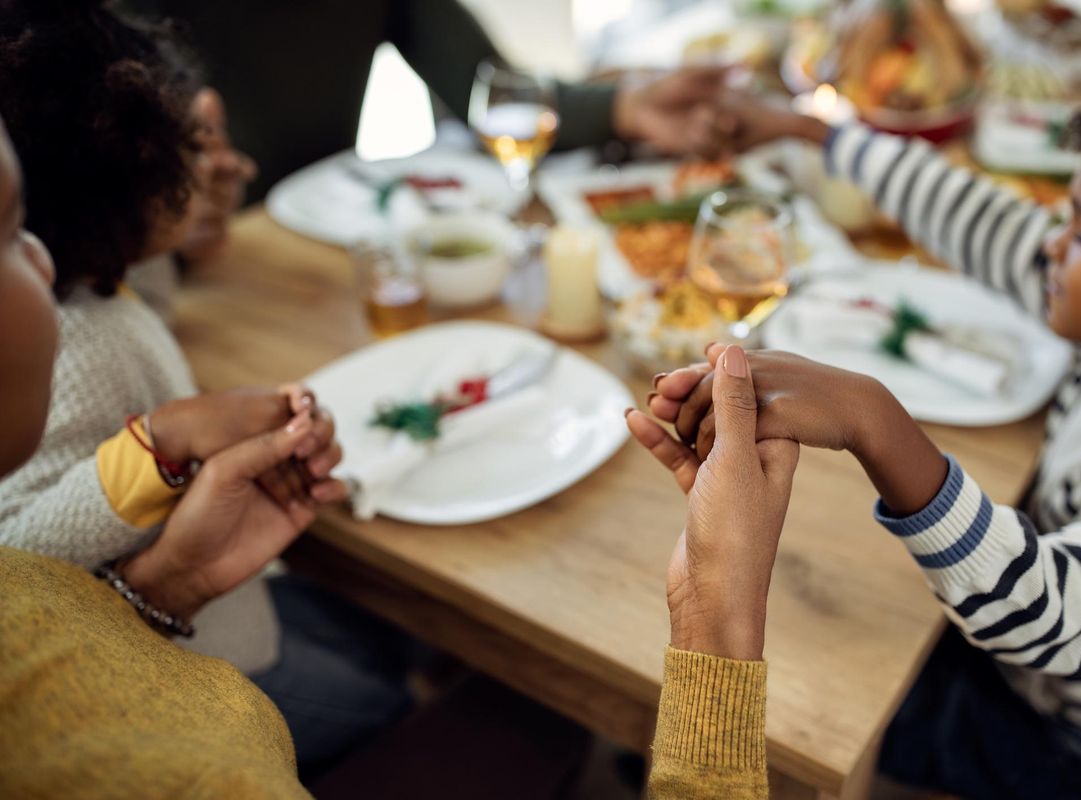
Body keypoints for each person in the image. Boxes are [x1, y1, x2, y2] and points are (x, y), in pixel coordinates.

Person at [0, 112, 787, 798]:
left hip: (202, 612)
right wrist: (718, 620)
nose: (39, 258)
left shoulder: (29, 603)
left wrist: (165, 586)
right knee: (533, 715)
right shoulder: (179, 776)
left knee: (386, 645)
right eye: (6, 230)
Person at [639, 59, 1081, 798]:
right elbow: (974, 214)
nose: (1053, 246)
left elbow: (1055, 614)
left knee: (826, 711)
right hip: (1020, 655)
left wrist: (874, 419)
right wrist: (806, 130)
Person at [0, 1, 414, 777]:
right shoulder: (75, 351)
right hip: (197, 665)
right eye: (185, 146)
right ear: (129, 177)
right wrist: (151, 452)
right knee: (382, 700)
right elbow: (22, 555)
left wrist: (183, 216)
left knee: (376, 638)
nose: (210, 159)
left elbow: (138, 284)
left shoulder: (93, 277)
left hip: (203, 603)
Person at [120, 0, 738, 202]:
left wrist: (626, 107)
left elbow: (486, 86)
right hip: (172, 288)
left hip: (333, 251)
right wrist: (172, 227)